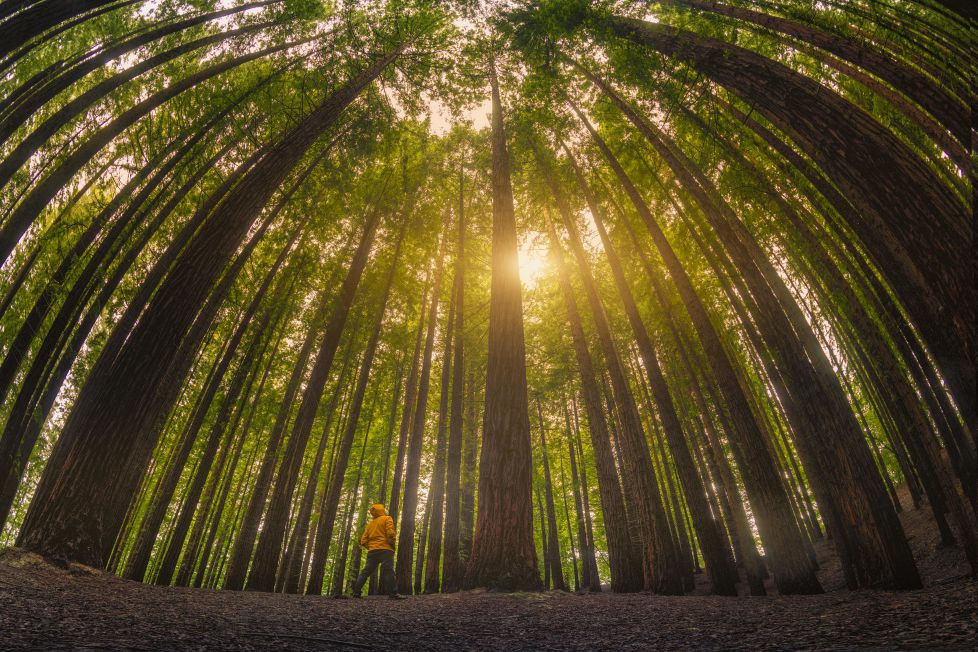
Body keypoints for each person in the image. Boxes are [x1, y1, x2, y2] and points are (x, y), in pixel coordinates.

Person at [350, 503, 403, 599]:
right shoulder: (387, 518)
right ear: (382, 510)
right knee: (388, 571)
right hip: (386, 550)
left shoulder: (370, 524)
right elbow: (390, 532)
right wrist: (392, 542)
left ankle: (356, 593)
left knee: (365, 572)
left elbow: (363, 540)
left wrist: (370, 547)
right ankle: (393, 594)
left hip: (372, 551)